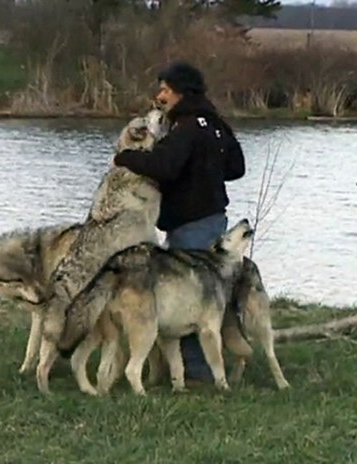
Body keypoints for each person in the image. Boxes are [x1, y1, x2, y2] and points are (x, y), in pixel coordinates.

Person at [113, 61, 246, 382]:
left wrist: (124, 156)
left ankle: (195, 371)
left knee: (190, 301)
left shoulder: (186, 127)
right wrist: (206, 171)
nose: (160, 95)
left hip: (191, 226)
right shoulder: (214, 124)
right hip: (214, 219)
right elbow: (237, 167)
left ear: (181, 92)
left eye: (165, 90)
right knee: (207, 296)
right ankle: (196, 368)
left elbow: (164, 166)